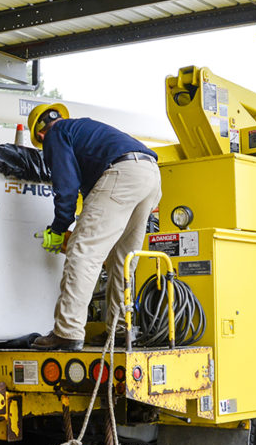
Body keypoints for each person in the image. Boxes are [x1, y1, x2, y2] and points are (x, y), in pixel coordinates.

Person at [27, 104, 161, 351]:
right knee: (123, 260)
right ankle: (122, 331)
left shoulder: (56, 135)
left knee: (82, 252)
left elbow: (66, 188)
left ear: (40, 135)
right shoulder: (82, 130)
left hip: (123, 172)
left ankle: (67, 332)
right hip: (150, 174)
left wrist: (58, 229)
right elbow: (95, 194)